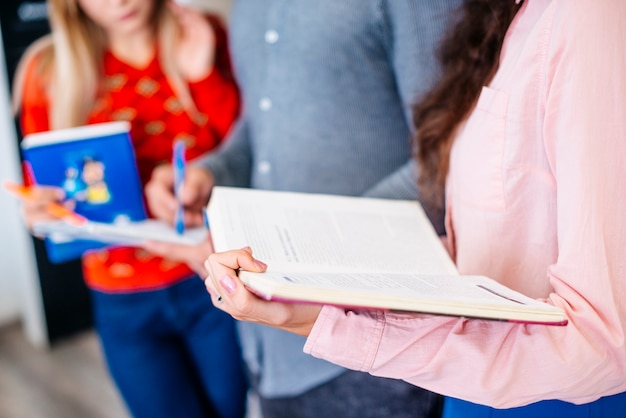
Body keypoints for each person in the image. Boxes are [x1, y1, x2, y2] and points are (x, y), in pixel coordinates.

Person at [202, 0, 626, 417]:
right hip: (466, 377)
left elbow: (603, 340)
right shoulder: (510, 18)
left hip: (543, 394)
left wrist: (326, 295)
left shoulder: (589, 18)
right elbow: (494, 235)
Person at [144, 1, 464, 416]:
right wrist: (210, 173)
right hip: (270, 348)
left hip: (374, 348)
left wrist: (306, 244)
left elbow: (450, 153)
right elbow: (260, 123)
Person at [11, 0, 248, 417]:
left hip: (212, 276)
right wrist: (42, 215)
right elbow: (46, 193)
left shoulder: (202, 33)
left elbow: (247, 154)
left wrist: (204, 74)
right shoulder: (46, 70)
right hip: (121, 297)